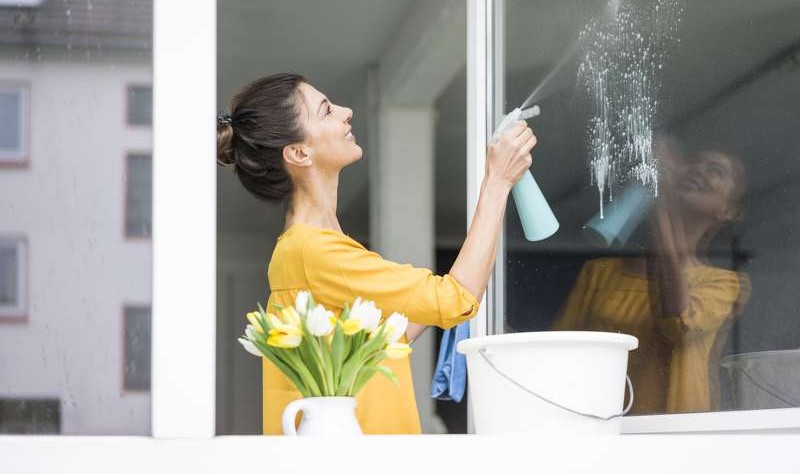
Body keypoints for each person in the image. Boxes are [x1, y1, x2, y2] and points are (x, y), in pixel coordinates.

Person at [216, 73, 537, 434]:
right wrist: (496, 182)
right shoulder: (315, 252)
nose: (346, 111)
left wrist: (435, 302)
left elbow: (398, 331)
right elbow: (455, 298)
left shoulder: (308, 251)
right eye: (326, 111)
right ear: (299, 152)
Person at [553, 142, 751, 414]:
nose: (698, 170)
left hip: (681, 439)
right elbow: (559, 351)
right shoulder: (599, 273)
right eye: (693, 161)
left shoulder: (726, 284)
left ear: (729, 212)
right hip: (601, 427)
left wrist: (661, 203)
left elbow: (679, 323)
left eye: (715, 170)